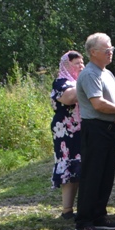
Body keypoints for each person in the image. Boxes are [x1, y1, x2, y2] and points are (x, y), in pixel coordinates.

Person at [74, 33, 115, 230]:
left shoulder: (106, 73)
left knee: (106, 176)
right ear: (93, 52)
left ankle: (99, 215)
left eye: (111, 49)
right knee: (93, 175)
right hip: (95, 129)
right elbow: (98, 103)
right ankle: (84, 221)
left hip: (107, 129)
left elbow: (114, 100)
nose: (111, 53)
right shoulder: (90, 74)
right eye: (106, 50)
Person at [50, 51, 84, 220]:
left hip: (80, 130)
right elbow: (70, 98)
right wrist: (87, 83)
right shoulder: (60, 82)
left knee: (79, 167)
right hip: (65, 131)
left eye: (82, 63)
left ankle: (77, 207)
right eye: (77, 63)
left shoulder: (78, 82)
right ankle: (67, 209)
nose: (81, 66)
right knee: (68, 167)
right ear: (67, 65)